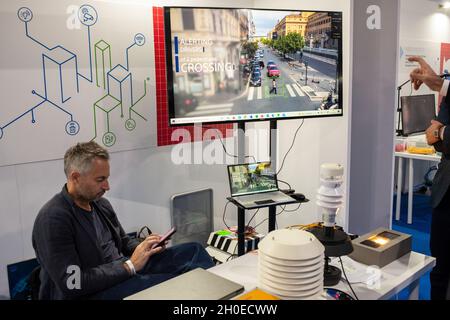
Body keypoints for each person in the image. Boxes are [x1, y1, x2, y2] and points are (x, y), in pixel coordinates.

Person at [32, 141, 214, 300]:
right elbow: (72, 283)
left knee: (194, 251)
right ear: (75, 177)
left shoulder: (100, 204)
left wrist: (145, 247)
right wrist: (129, 266)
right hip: (94, 291)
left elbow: (124, 242)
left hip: (124, 270)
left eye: (107, 178)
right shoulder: (53, 219)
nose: (107, 186)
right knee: (171, 286)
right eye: (100, 180)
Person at [409, 55, 450, 300]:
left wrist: (444, 131)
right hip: (445, 192)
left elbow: (439, 131)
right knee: (439, 268)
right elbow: (432, 138)